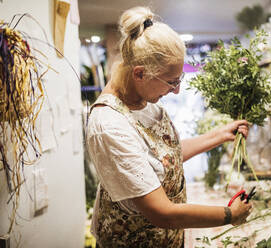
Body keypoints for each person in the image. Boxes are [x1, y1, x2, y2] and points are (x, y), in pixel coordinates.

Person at [87, 6, 252, 248]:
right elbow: (162, 213)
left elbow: (161, 161)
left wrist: (218, 135)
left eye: (179, 79)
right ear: (140, 74)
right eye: (171, 81)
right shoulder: (109, 125)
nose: (176, 90)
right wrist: (229, 215)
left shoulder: (143, 100)